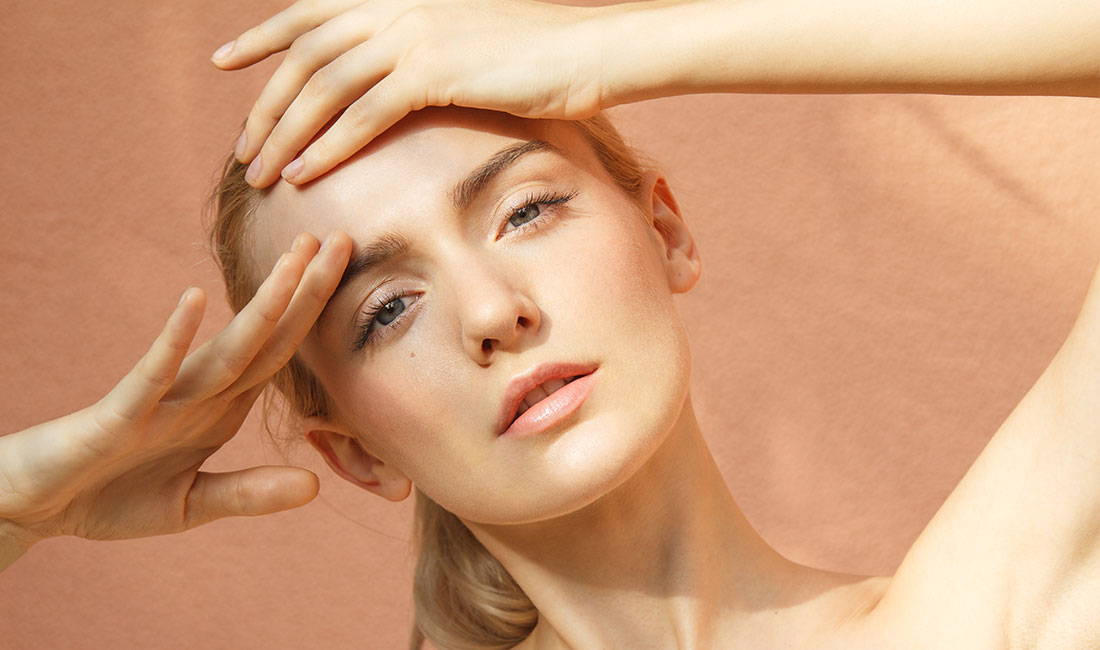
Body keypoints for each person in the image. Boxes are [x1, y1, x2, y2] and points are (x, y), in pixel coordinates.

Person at [2, 1, 1098, 649]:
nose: (491, 311)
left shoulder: (990, 613)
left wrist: (615, 42)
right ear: (353, 451)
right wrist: (15, 509)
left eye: (524, 211)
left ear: (664, 230)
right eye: (387, 310)